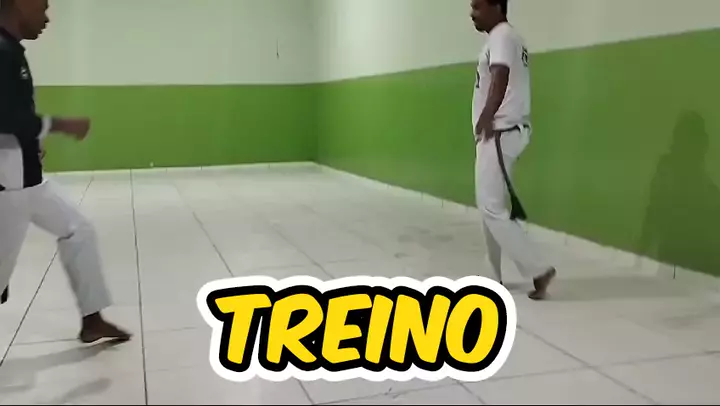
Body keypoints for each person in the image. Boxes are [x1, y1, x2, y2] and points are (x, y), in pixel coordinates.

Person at [0, 0, 131, 343]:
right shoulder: (2, 50)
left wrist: (31, 141)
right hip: (9, 186)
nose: (46, 18)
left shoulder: (11, 50)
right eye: (42, 8)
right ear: (20, 4)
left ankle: (93, 319)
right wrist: (60, 125)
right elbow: (6, 118)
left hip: (28, 179)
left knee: (78, 230)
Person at [470, 0, 557, 300]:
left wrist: (487, 115)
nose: (472, 13)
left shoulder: (502, 35)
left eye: (478, 7)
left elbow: (501, 75)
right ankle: (491, 276)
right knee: (488, 205)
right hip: (499, 132)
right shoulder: (505, 37)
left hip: (499, 131)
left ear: (496, 6)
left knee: (491, 207)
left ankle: (538, 269)